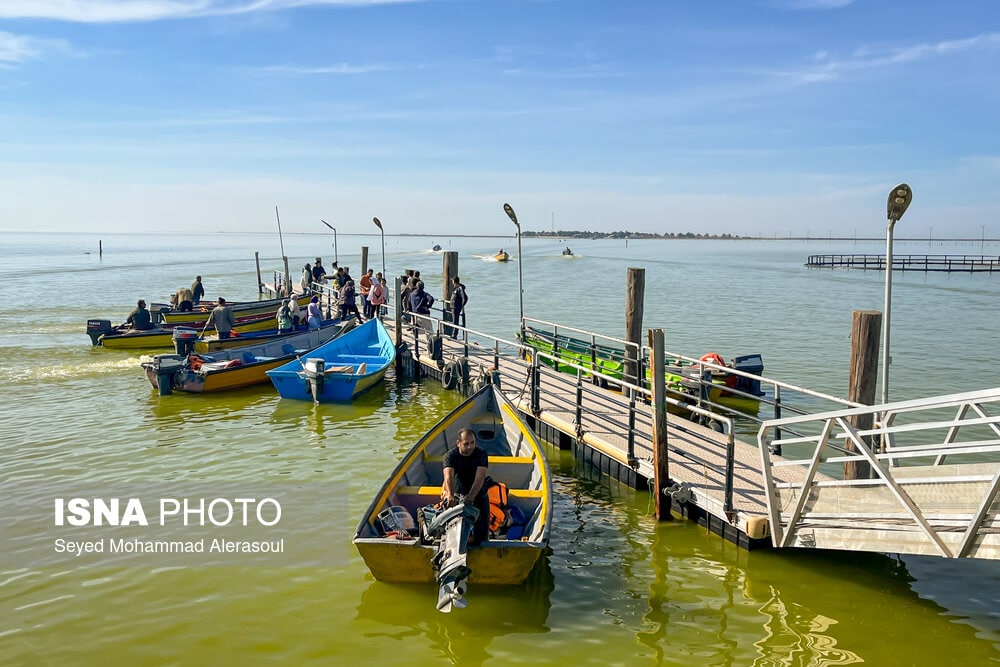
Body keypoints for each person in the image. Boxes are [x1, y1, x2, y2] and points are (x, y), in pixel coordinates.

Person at [441, 429, 490, 545]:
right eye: (466, 444)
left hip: (478, 495)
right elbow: (448, 477)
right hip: (457, 496)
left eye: (472, 442)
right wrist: (450, 496)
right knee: (453, 531)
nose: (470, 447)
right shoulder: (450, 456)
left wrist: (471, 496)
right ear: (458, 443)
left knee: (482, 536)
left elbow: (480, 477)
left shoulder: (481, 453)